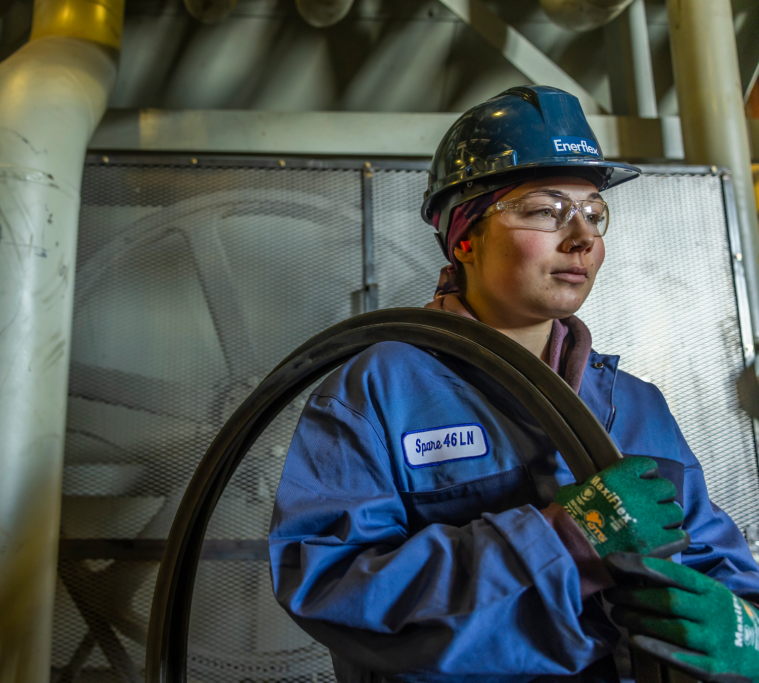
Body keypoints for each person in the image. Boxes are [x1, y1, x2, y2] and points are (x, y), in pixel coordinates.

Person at [267, 85, 759, 683]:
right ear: (464, 236)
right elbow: (333, 590)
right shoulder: (379, 389)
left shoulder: (634, 403)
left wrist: (745, 629)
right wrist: (558, 541)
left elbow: (717, 569)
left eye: (593, 212)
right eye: (545, 210)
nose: (581, 237)